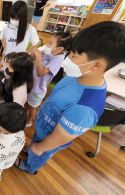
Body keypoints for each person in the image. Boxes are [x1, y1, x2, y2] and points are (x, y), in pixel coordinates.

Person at [14, 21, 125, 175]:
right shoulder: (76, 75)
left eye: (73, 55)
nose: (67, 58)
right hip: (43, 127)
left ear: (96, 65)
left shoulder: (85, 106)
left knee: (40, 153)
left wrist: (40, 147)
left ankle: (30, 167)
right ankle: (33, 149)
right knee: (35, 144)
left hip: (51, 138)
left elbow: (61, 137)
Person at [25, 31, 72, 127]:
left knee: (32, 107)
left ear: (60, 49)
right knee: (26, 103)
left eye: (50, 43)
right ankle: (21, 116)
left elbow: (40, 73)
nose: (47, 45)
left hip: (37, 90)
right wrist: (33, 56)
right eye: (48, 42)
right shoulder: (48, 53)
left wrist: (38, 56)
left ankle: (28, 122)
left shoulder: (57, 59)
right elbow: (33, 57)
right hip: (31, 84)